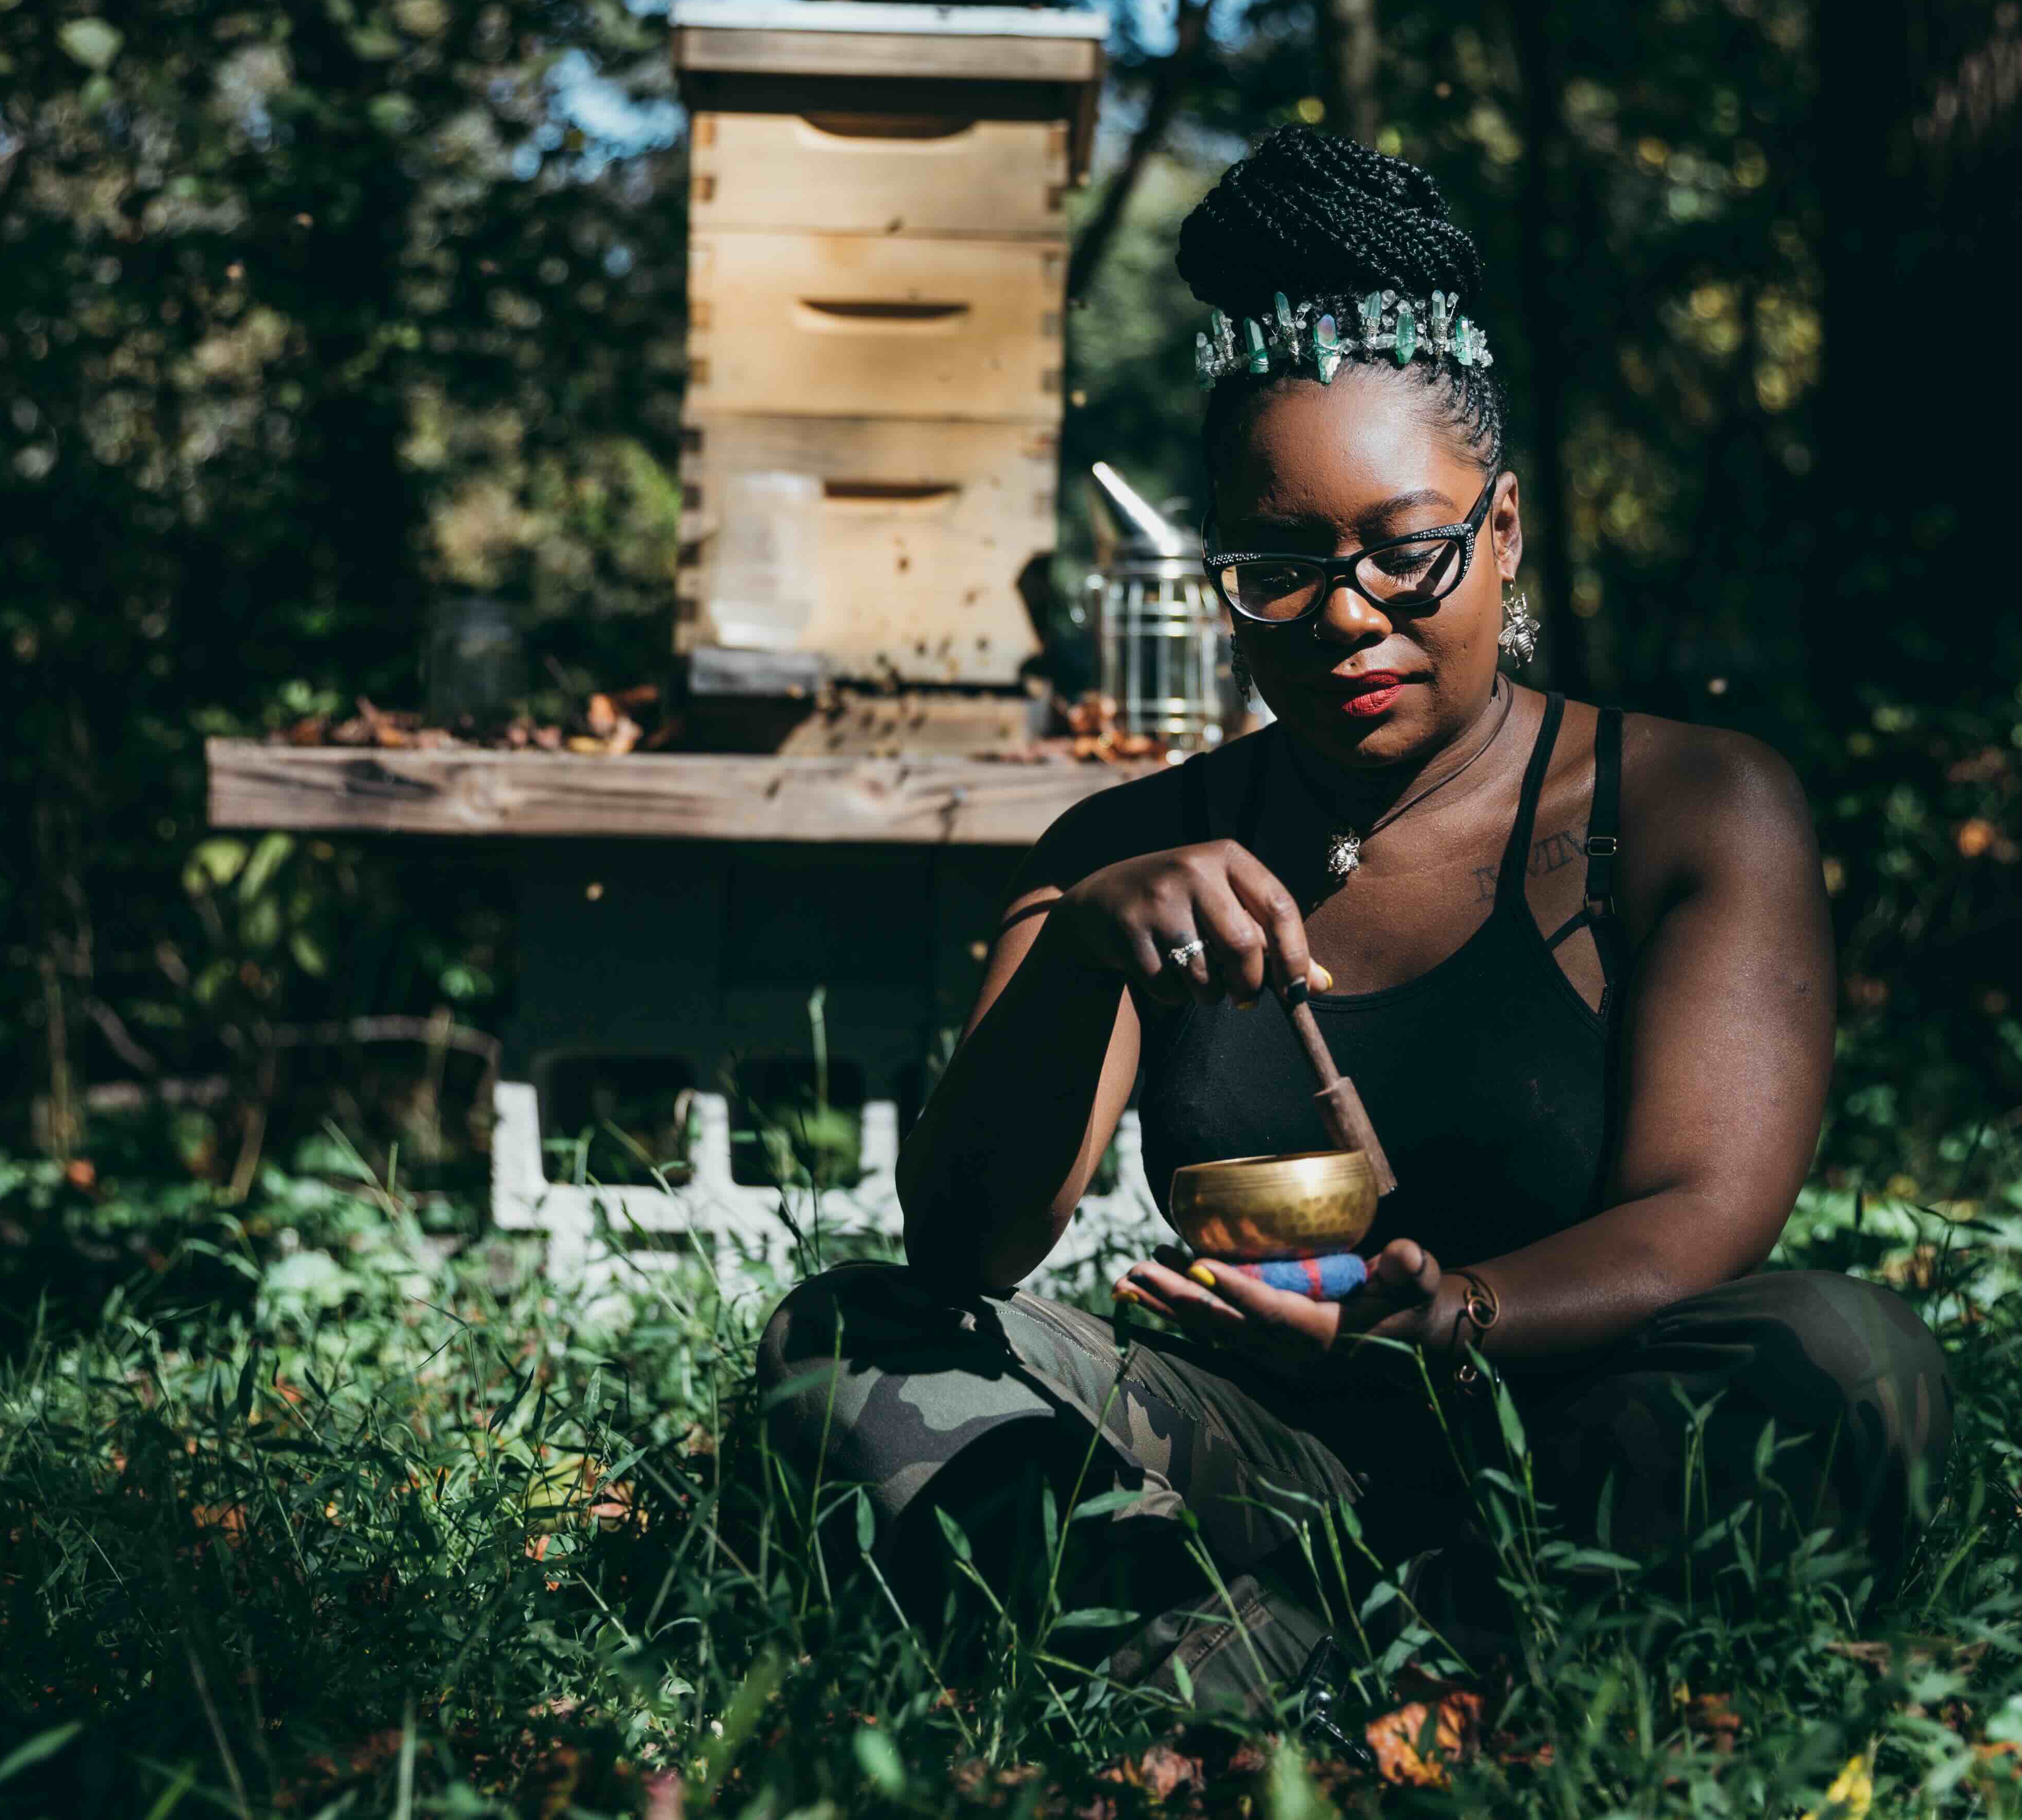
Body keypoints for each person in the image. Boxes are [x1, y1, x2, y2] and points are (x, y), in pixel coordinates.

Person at [754, 127, 1951, 1729]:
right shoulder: (1127, 847)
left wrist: (1447, 1325)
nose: (1344, 616)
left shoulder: (1686, 803)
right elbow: (963, 1249)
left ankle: (1492, 1674)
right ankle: (1237, 1669)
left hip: (1574, 1435)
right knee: (852, 1342)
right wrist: (1086, 951)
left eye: (1407, 552)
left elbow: (1700, 1213)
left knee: (1846, 1349)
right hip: (1243, 1457)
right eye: (1274, 568)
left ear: (1504, 534)